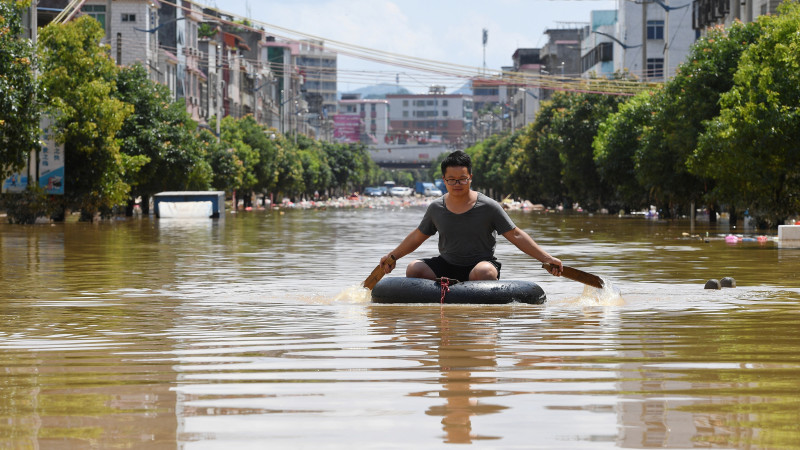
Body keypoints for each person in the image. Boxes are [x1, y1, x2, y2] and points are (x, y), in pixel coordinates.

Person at [378, 150, 563, 282]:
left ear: (471, 178)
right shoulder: (436, 208)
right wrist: (392, 257)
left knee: (485, 272)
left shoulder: (489, 206)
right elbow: (418, 236)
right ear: (444, 180)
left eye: (463, 179)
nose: (457, 183)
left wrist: (546, 258)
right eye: (452, 179)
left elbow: (515, 234)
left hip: (480, 266)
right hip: (446, 265)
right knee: (413, 269)